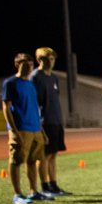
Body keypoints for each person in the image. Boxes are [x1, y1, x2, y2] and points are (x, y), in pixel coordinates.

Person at [4, 53, 53, 204]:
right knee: (16, 161)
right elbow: (6, 107)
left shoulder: (31, 85)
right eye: (25, 63)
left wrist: (42, 131)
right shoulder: (10, 83)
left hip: (35, 129)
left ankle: (33, 191)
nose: (29, 67)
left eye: (31, 64)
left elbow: (35, 109)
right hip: (21, 128)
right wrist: (14, 130)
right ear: (17, 64)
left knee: (33, 161)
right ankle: (17, 194)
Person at [31, 47, 70, 196]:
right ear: (39, 60)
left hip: (56, 121)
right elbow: (33, 103)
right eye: (47, 59)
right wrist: (39, 125)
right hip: (44, 122)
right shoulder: (35, 77)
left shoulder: (54, 78)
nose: (51, 62)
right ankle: (45, 187)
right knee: (43, 156)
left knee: (53, 154)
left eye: (52, 59)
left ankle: (54, 185)